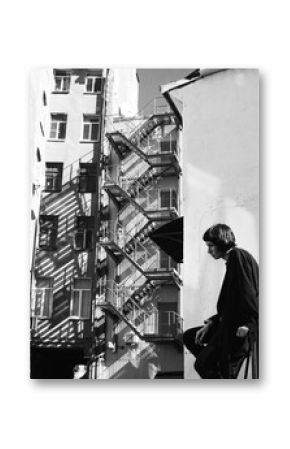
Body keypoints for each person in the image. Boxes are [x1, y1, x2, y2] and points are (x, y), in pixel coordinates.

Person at [183, 224, 259, 379]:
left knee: (202, 365)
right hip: (227, 325)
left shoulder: (238, 256)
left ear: (222, 242)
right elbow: (232, 303)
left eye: (211, 246)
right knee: (190, 337)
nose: (208, 251)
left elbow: (249, 293)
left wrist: (250, 324)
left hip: (236, 330)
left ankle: (219, 374)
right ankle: (217, 370)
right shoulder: (233, 260)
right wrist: (210, 323)